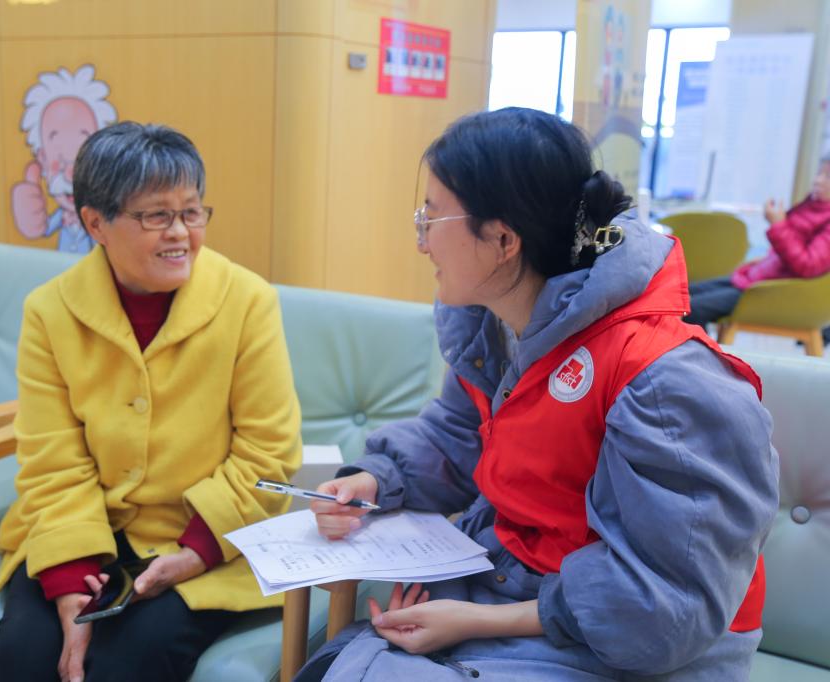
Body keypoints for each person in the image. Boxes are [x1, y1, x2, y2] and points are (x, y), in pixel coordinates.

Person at [298, 108, 778, 681]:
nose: (422, 241)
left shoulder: (664, 380)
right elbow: (460, 435)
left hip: (630, 646)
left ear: (502, 239)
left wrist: (476, 621)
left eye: (432, 215)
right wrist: (377, 478)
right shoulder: (497, 327)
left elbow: (663, 608)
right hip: (520, 588)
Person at [0, 122, 302, 682]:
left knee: (126, 663)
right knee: (22, 660)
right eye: (156, 216)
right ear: (95, 223)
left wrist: (196, 552)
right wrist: (71, 582)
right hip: (80, 529)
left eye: (192, 212)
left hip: (205, 541)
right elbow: (52, 458)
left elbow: (268, 451)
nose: (180, 233)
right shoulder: (49, 312)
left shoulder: (248, 301)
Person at [686, 156, 830, 346]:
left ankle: (700, 360)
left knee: (692, 308)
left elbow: (807, 265)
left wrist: (778, 225)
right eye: (819, 173)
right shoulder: (812, 207)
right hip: (762, 279)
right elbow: (795, 249)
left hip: (777, 292)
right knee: (681, 293)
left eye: (828, 176)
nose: (818, 180)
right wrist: (766, 260)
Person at [11, 65, 118, 254]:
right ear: (42, 160)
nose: (69, 175)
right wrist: (30, 214)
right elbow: (42, 229)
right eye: (60, 164)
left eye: (80, 164)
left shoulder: (99, 219)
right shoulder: (62, 218)